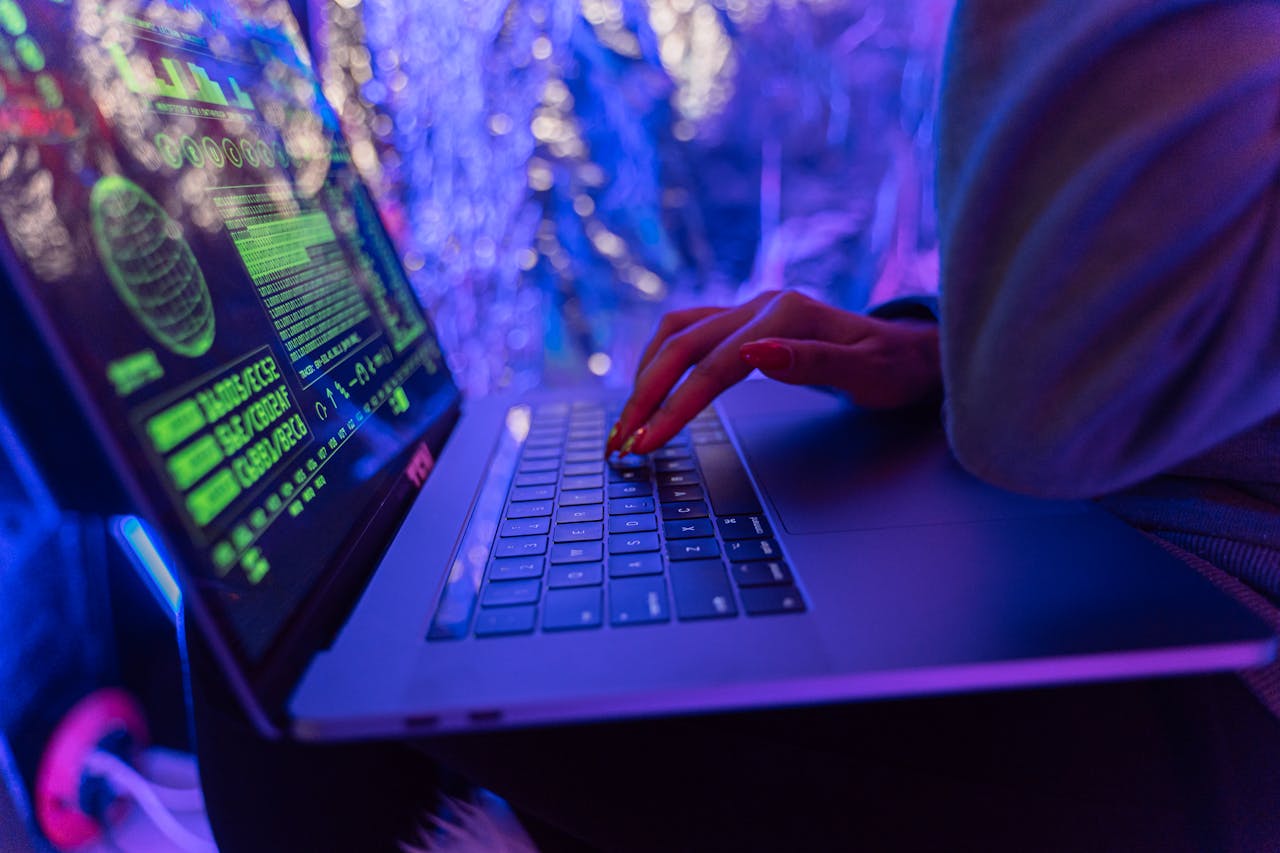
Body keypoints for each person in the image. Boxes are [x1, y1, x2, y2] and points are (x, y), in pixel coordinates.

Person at [426, 1, 1280, 848]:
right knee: (429, 641)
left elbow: (1054, 415)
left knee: (424, 677)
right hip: (1118, 519)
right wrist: (935, 348)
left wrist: (1020, 369)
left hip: (1232, 657)